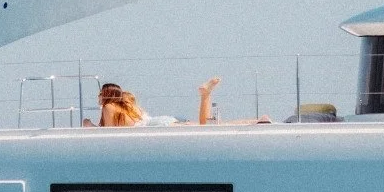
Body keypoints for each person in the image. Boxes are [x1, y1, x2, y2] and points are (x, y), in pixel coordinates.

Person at [86, 78, 272, 127]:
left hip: (155, 126)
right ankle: (257, 121)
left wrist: (88, 124)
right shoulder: (128, 106)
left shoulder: (109, 107)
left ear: (105, 95)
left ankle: (205, 95)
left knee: (204, 126)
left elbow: (109, 130)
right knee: (212, 125)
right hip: (161, 121)